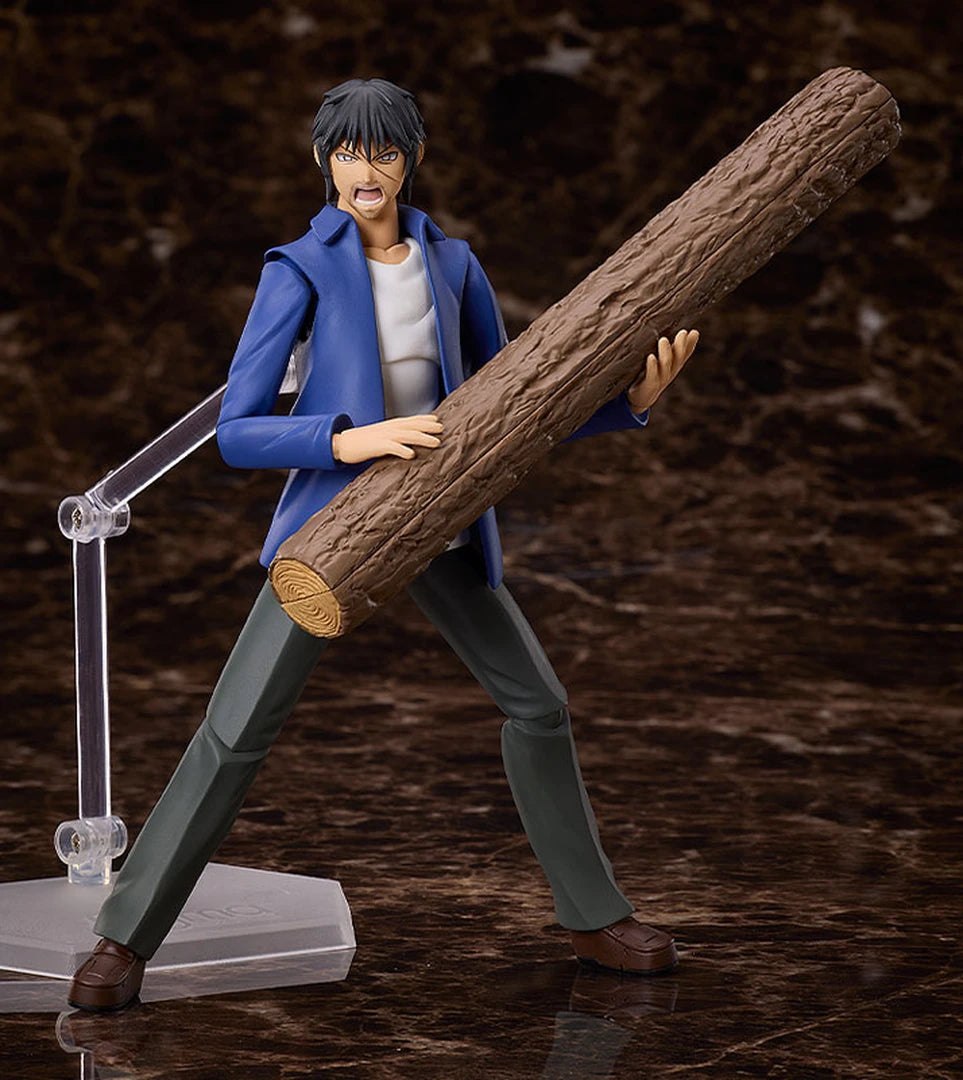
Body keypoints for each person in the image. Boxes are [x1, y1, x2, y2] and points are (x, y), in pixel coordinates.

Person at [69, 78, 699, 1011]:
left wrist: (627, 406)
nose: (367, 170)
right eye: (349, 152)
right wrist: (348, 440)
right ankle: (125, 939)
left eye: (386, 152)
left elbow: (512, 401)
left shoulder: (452, 264)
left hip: (440, 514)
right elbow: (239, 430)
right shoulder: (296, 268)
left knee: (538, 708)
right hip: (336, 528)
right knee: (234, 733)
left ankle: (591, 914)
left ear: (412, 159)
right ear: (324, 161)